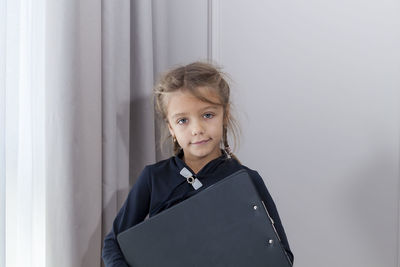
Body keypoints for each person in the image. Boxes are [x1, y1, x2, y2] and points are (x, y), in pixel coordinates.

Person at [102, 62, 294, 266]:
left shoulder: (246, 180)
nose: (197, 129)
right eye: (183, 120)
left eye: (207, 115)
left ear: (225, 115)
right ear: (171, 128)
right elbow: (112, 244)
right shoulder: (153, 178)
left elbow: (281, 254)